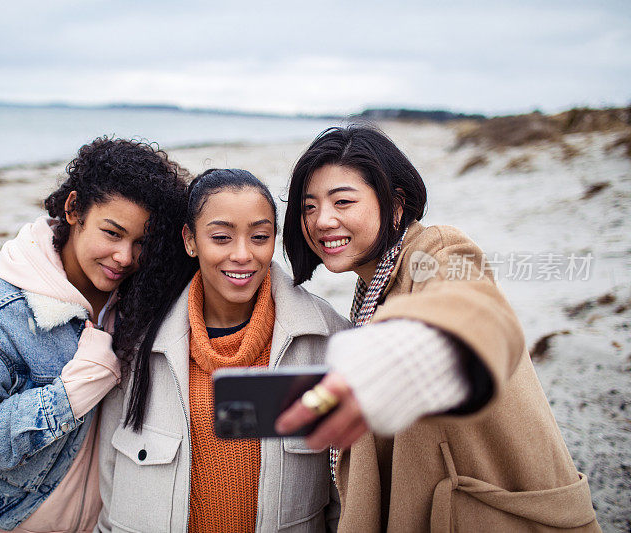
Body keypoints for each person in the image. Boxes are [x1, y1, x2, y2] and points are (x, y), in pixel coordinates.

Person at [275, 125, 600, 532]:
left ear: (396, 205)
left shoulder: (436, 250)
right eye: (309, 207)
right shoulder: (369, 288)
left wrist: (414, 348)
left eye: (343, 201)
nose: (323, 220)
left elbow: (475, 309)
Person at [0, 137, 190, 532]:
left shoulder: (134, 294)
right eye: (112, 233)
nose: (125, 257)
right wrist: (66, 398)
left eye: (141, 243)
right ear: (74, 208)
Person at [97, 168, 349, 532]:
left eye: (259, 237)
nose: (243, 254)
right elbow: (110, 476)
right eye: (221, 237)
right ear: (190, 240)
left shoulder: (327, 338)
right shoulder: (140, 341)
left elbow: (343, 489)